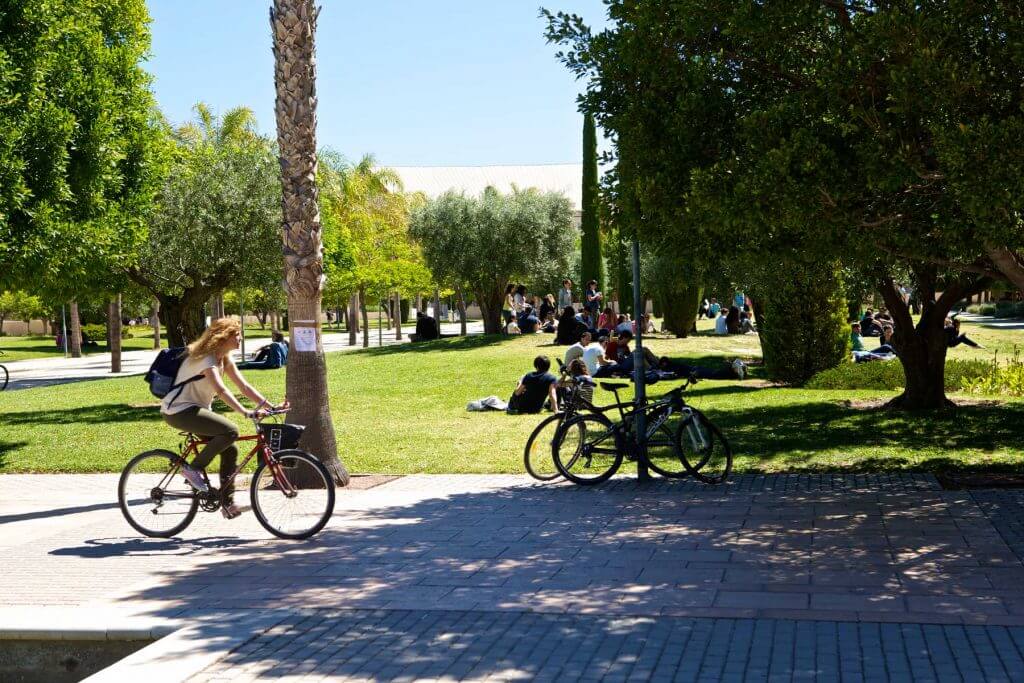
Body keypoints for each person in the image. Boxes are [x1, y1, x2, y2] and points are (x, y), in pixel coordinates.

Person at [160, 318, 285, 520]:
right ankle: (192, 469)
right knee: (230, 431)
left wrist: (271, 407)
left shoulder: (223, 358)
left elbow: (244, 387)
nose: (240, 339)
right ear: (223, 337)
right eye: (237, 335)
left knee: (230, 448)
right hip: (178, 411)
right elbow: (221, 389)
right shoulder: (206, 359)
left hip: (196, 410)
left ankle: (227, 504)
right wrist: (245, 411)